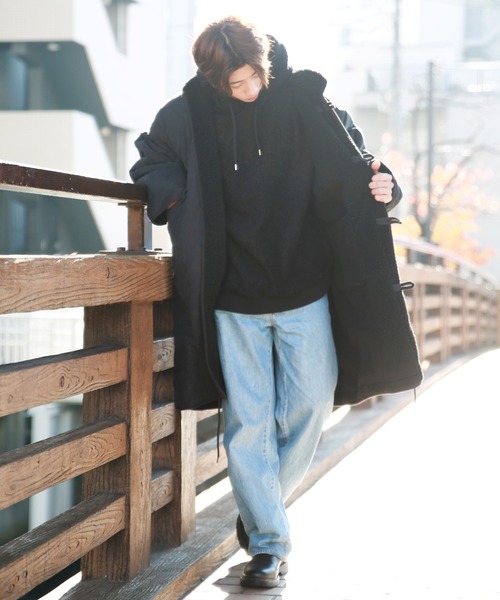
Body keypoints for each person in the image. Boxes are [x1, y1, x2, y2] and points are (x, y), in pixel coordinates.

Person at [130, 16, 422, 589]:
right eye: (234, 84)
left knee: (311, 405)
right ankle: (268, 545)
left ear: (265, 65)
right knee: (249, 421)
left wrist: (386, 183)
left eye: (253, 78)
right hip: (230, 296)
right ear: (214, 80)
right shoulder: (188, 113)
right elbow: (150, 160)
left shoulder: (305, 100)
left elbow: (361, 160)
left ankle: (260, 510)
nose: (248, 90)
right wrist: (178, 201)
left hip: (304, 287)